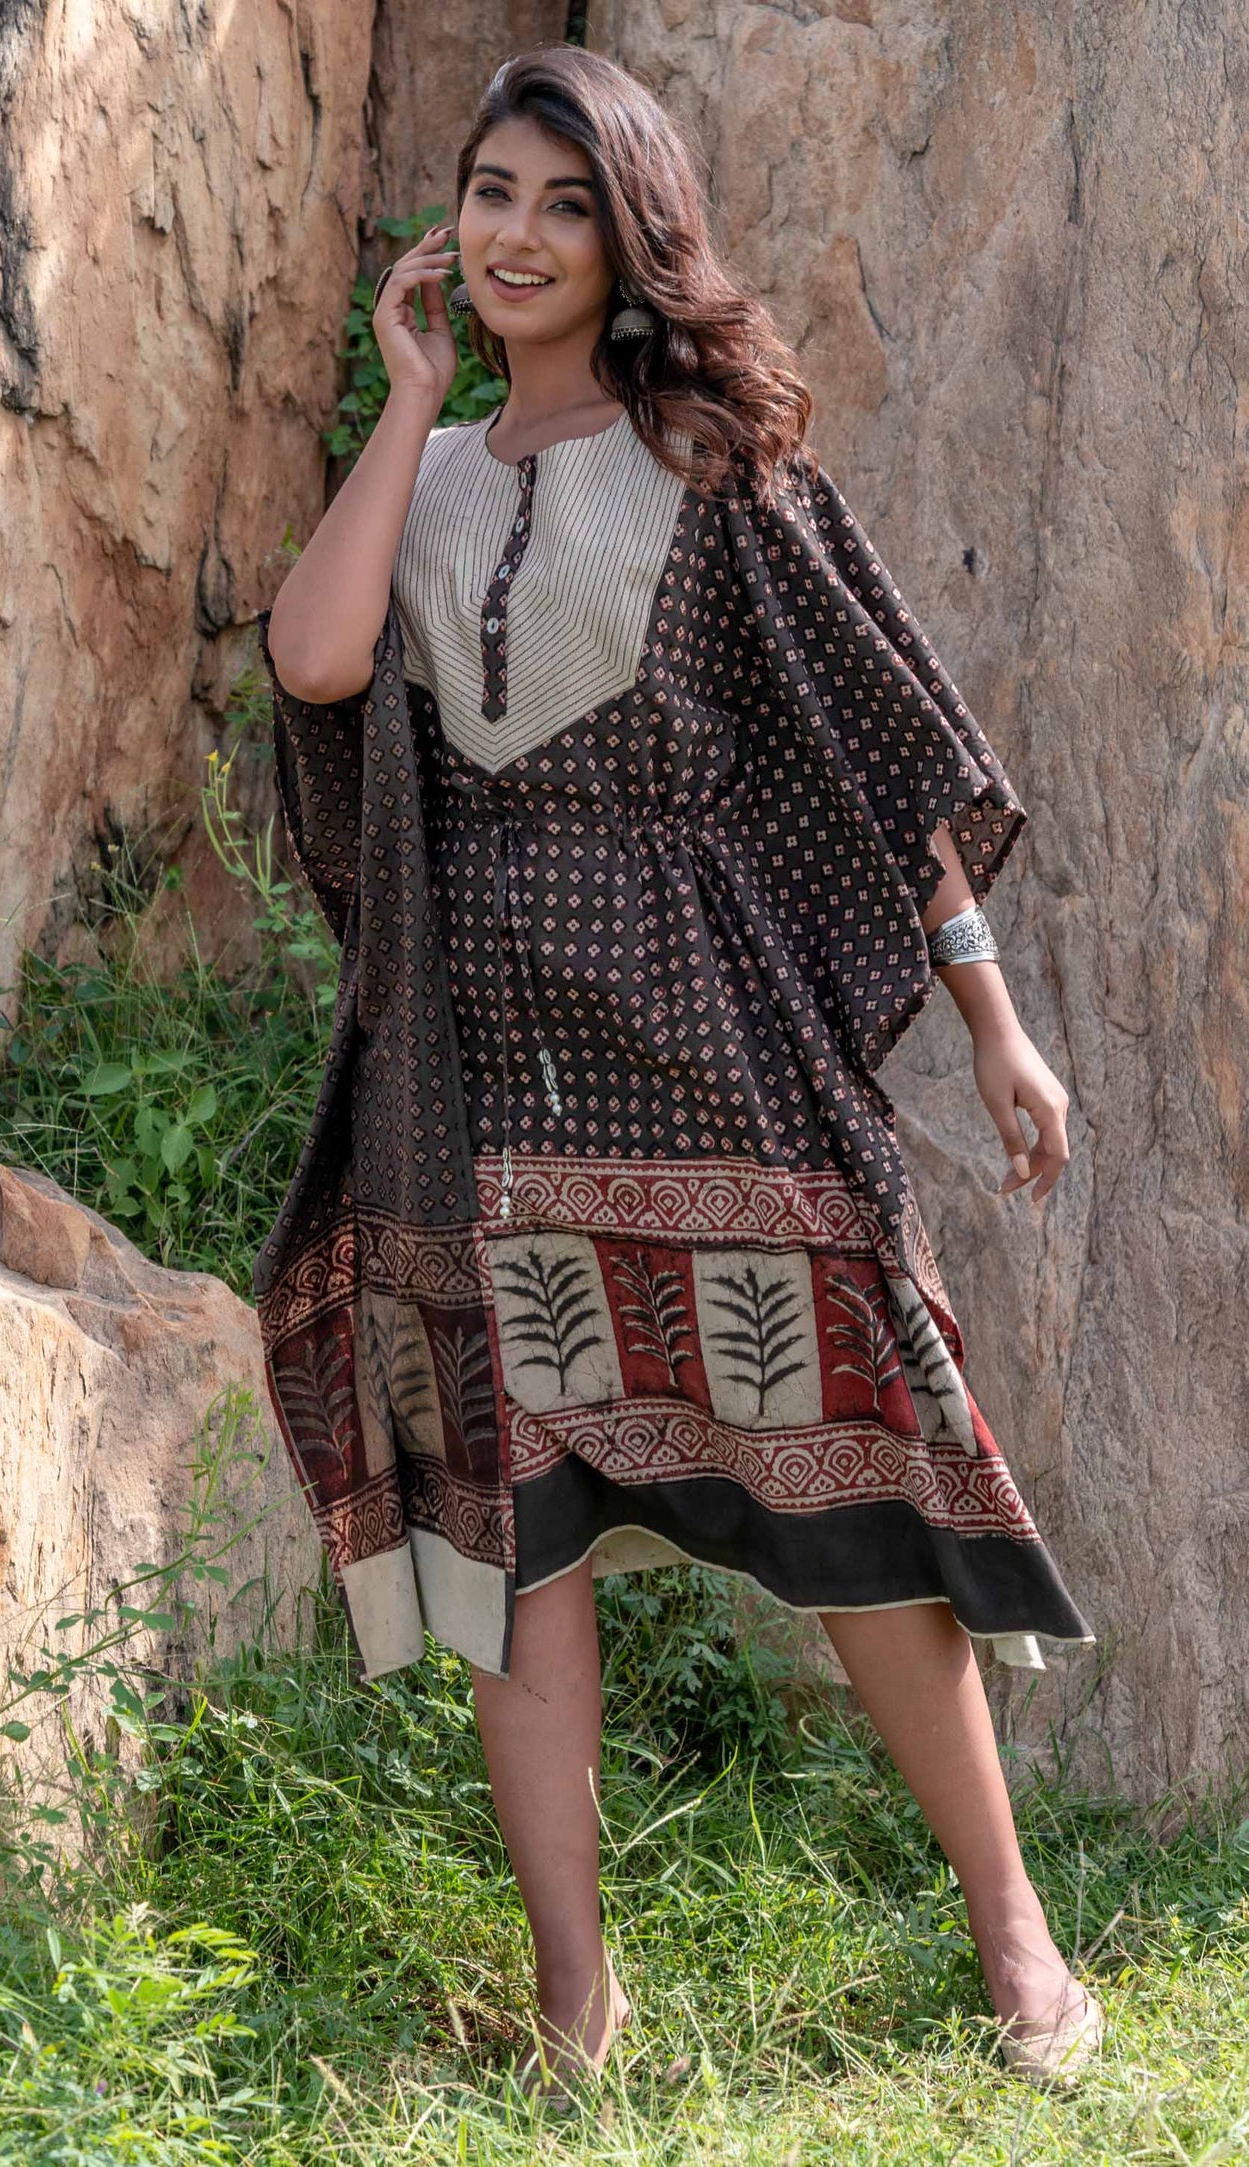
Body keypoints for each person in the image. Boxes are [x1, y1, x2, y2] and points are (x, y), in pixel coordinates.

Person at [258, 44, 1104, 2100]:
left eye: (565, 203)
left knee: (850, 1481)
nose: (518, 235)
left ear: (631, 234)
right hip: (487, 1084)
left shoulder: (718, 469)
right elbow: (314, 660)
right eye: (492, 192)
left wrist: (992, 1018)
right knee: (524, 1531)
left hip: (713, 1055)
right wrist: (405, 398)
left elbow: (887, 760)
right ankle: (578, 2010)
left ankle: (1019, 1947)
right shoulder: (429, 472)